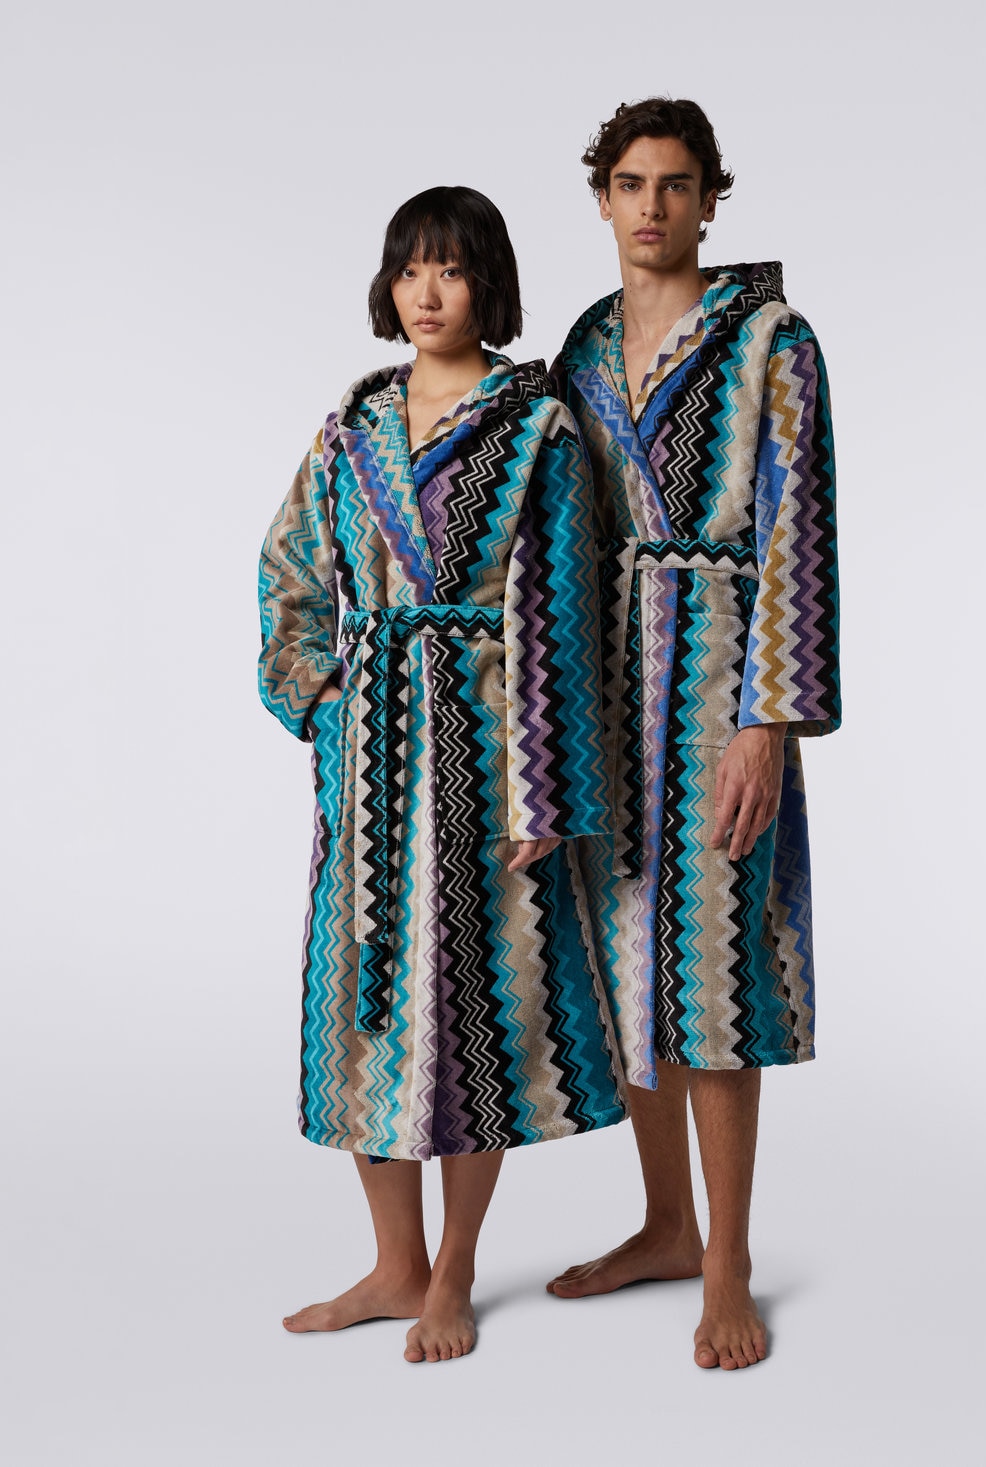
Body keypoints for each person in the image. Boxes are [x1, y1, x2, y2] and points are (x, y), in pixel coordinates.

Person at [258, 186, 624, 1363]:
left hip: (487, 752)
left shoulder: (536, 429)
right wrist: (322, 703)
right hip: (370, 763)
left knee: (475, 1011)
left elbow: (567, 612)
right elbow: (290, 572)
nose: (427, 292)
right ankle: (392, 1265)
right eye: (410, 268)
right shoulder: (350, 427)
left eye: (451, 270)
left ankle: (454, 1267)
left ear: (487, 286)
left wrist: (547, 782)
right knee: (363, 1002)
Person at [548, 99, 841, 1371]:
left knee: (714, 971)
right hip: (605, 691)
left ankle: (727, 1259)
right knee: (623, 961)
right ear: (601, 197)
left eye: (675, 184)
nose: (652, 205)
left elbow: (795, 528)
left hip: (720, 677)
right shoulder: (578, 347)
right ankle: (664, 1225)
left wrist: (767, 720)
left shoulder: (772, 339)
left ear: (711, 199)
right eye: (630, 183)